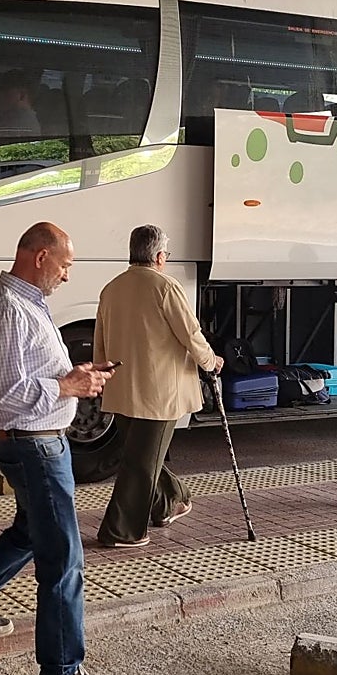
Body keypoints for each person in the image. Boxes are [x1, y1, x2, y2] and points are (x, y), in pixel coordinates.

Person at [0, 222, 111, 675]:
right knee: (64, 562)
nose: (68, 275)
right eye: (65, 264)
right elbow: (5, 394)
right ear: (40, 257)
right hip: (35, 447)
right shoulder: (10, 308)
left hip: (37, 443)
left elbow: (28, 375)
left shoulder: (27, 304)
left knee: (31, 533)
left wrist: (74, 377)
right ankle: (63, 669)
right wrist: (68, 385)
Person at [93, 225, 222, 549]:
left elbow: (100, 339)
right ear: (160, 256)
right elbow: (190, 334)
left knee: (141, 456)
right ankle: (122, 531)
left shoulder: (112, 288)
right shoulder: (166, 287)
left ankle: (169, 502)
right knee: (141, 462)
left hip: (121, 387)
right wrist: (211, 362)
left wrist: (101, 375)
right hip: (159, 392)